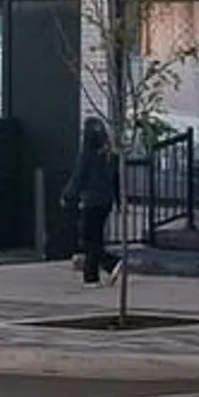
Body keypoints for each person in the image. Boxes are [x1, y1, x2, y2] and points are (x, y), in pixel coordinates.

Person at [61, 119, 122, 284]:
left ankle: (107, 265)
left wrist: (68, 195)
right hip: (106, 201)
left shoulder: (86, 154)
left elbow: (78, 177)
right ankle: (92, 274)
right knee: (95, 237)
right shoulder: (111, 155)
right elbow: (116, 179)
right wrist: (119, 202)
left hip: (91, 200)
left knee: (89, 239)